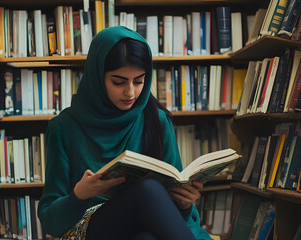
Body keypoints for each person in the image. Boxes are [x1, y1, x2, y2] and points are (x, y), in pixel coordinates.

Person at [37, 26, 212, 240]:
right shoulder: (64, 127)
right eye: (118, 82)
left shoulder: (157, 121)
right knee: (147, 189)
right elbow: (49, 220)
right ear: (97, 77)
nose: (130, 92)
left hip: (142, 226)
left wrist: (184, 203)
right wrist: (79, 195)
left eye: (139, 81)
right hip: (87, 229)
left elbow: (173, 201)